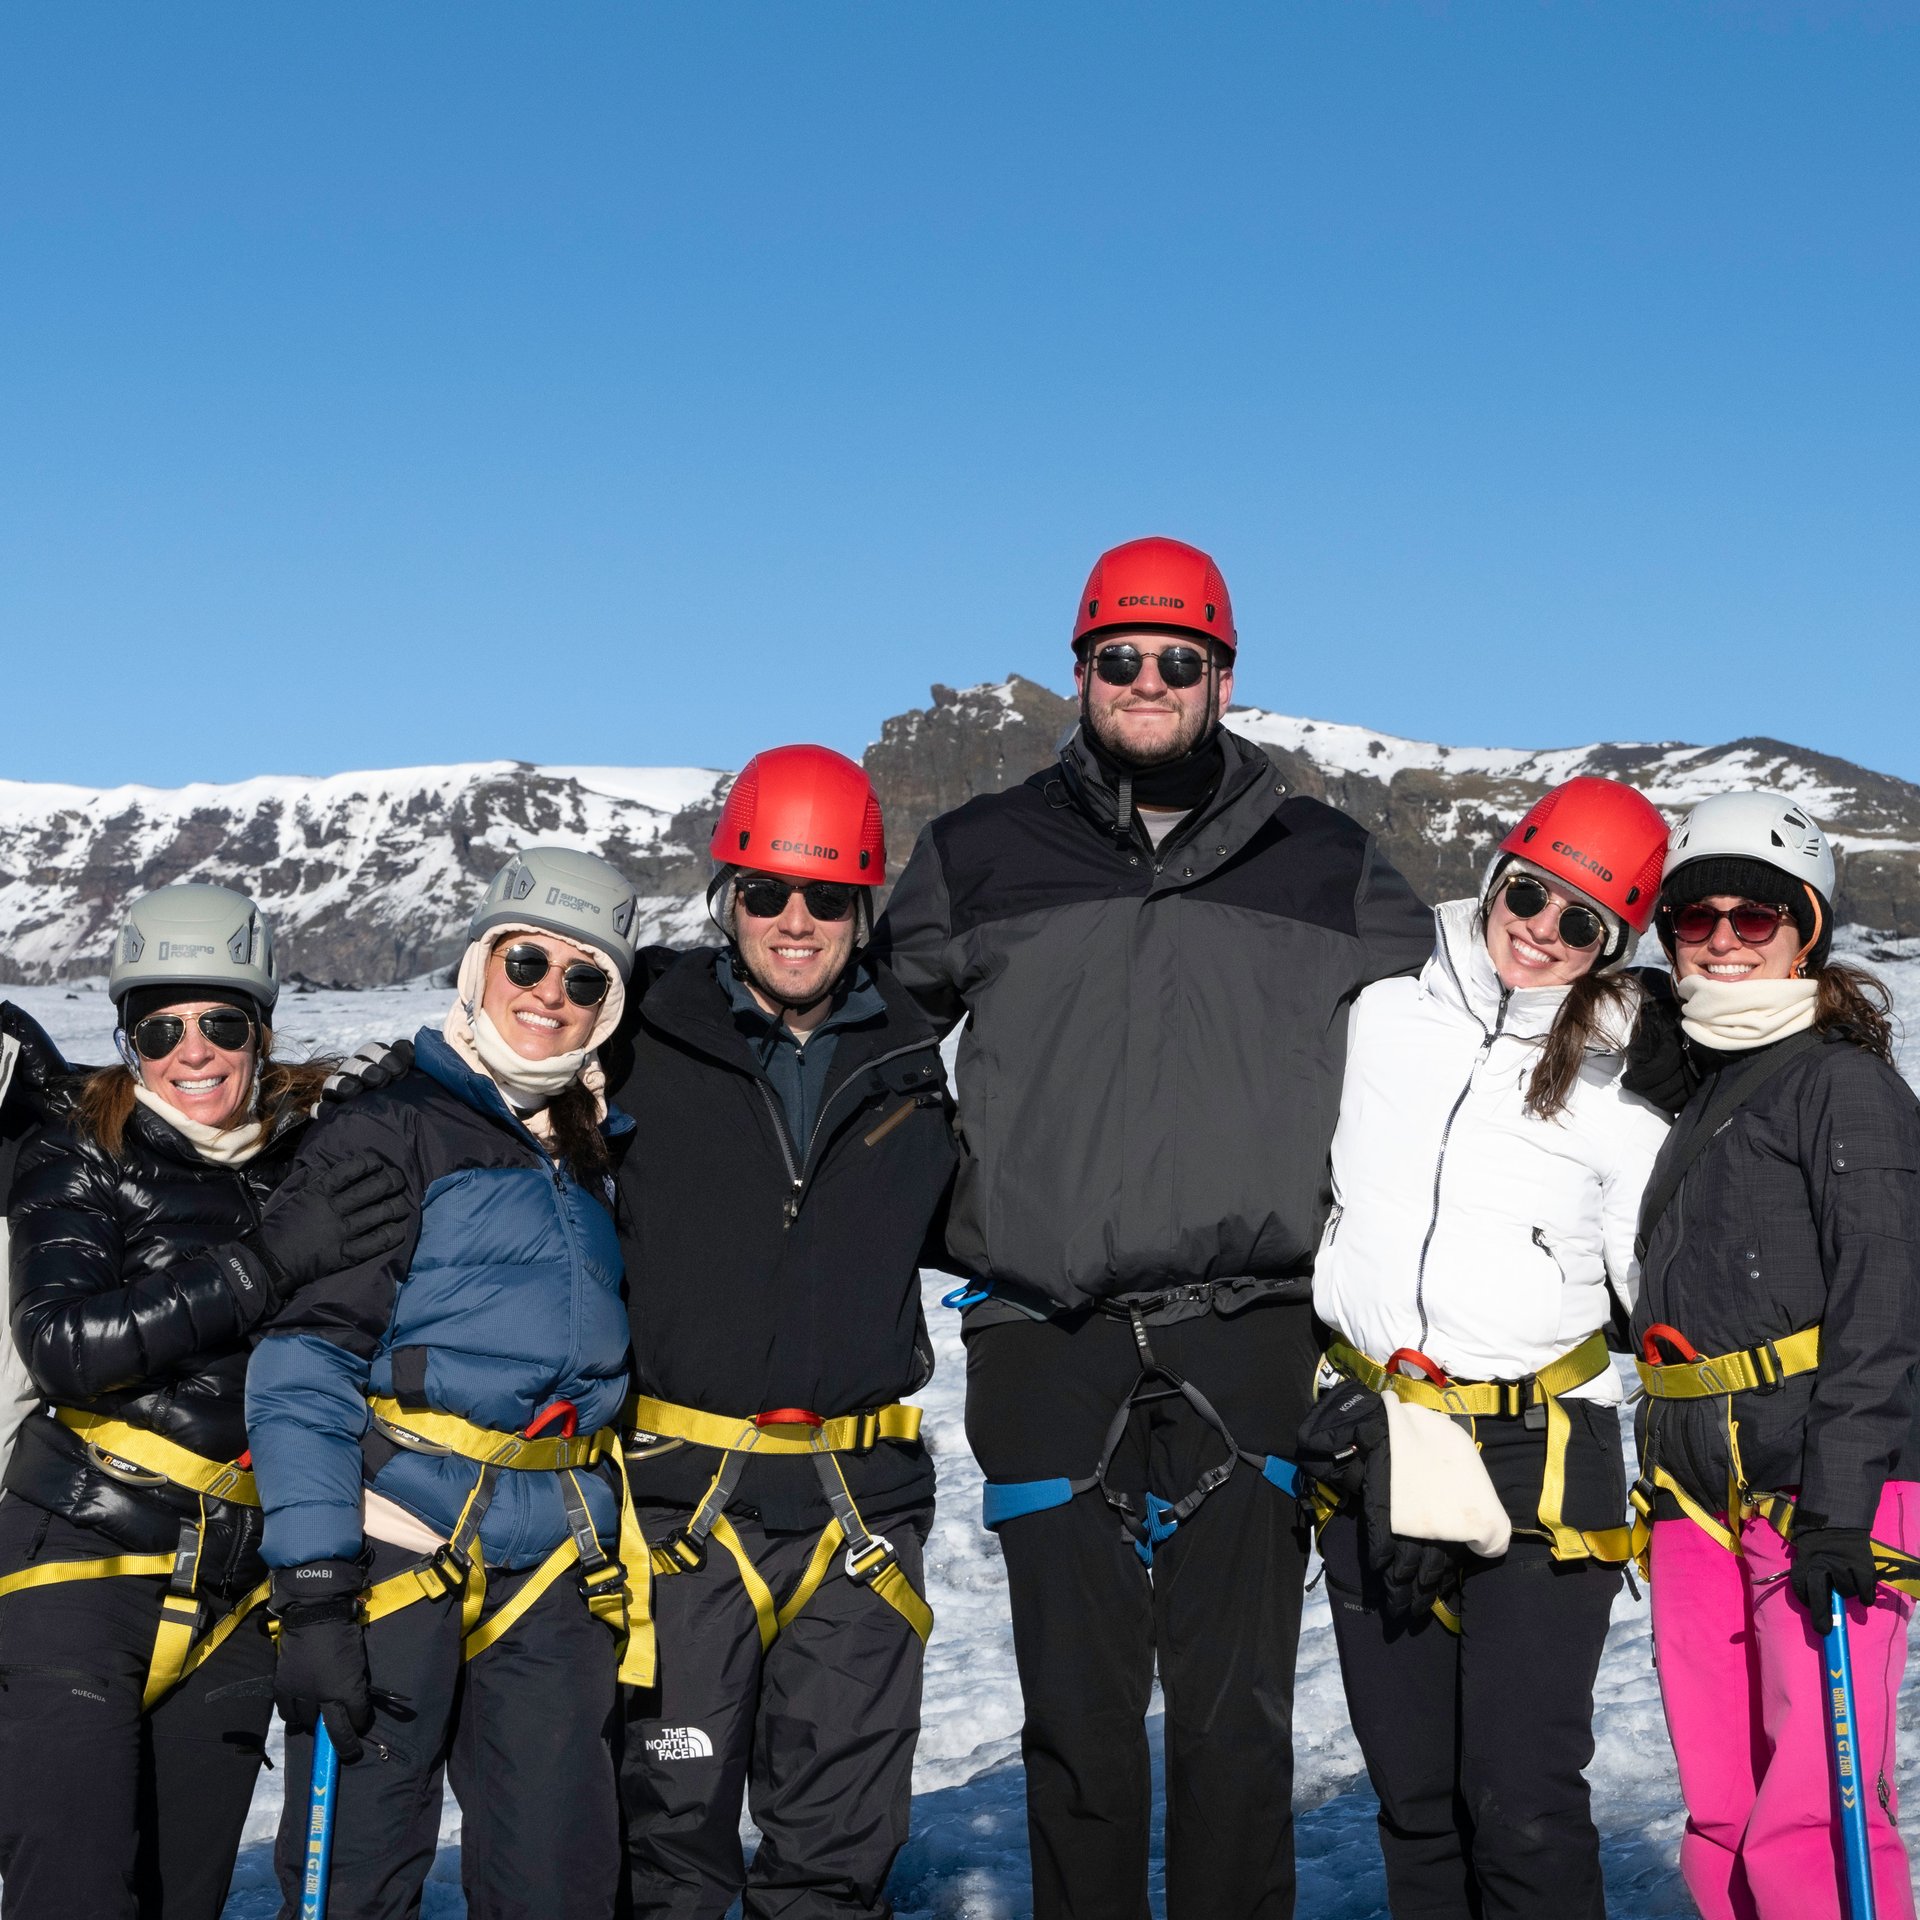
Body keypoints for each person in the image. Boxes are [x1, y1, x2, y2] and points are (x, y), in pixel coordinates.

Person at [873, 535, 1434, 1920]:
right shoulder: (980, 852)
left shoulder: (1325, 859)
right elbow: (871, 1061)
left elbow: (1454, 1043)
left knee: (1238, 1724)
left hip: (1251, 1333)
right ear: (1079, 669)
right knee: (1078, 1721)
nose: (1146, 680)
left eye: (1178, 659)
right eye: (1118, 656)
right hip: (1044, 1338)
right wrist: (970, 1210)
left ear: (1223, 676)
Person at [245, 845, 652, 1920]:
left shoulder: (594, 1148)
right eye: (528, 962)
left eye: (585, 979)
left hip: (556, 1564)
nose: (550, 998)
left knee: (558, 1885)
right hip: (398, 1554)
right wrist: (317, 1590)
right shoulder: (390, 1128)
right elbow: (303, 1360)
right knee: (359, 1880)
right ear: (479, 965)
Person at [1297, 777, 1673, 1919]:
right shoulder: (1379, 1016)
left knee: (1523, 1797)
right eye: (1528, 895)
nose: (1541, 934)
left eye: (1580, 927)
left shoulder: (1624, 1084)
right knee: (1414, 1797)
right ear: (1496, 874)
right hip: (1376, 1435)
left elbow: (1653, 1285)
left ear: (1614, 945)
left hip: (1539, 1453)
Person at [0, 884, 409, 1920]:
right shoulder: (79, 1149)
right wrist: (259, 1266)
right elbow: (62, 1345)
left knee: (186, 1896)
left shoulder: (311, 1154)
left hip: (237, 1587)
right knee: (76, 1889)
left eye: (221, 1023)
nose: (193, 1051)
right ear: (130, 1038)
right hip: (80, 1556)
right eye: (161, 1027)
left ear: (260, 1029)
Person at [607, 745, 956, 1919]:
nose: (792, 922)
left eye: (823, 897)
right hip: (682, 1503)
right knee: (669, 1845)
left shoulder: (914, 1060)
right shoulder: (639, 1031)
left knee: (837, 1853)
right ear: (726, 897)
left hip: (858, 1504)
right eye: (764, 892)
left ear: (864, 904)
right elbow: (496, 1065)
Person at [1630, 791, 1920, 1920]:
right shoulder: (1696, 1079)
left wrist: (1843, 1508)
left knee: (1819, 1803)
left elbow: (1886, 1301)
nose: (1722, 940)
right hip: (1697, 1488)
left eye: (1755, 917)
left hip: (1824, 1485)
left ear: (1807, 927)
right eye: (1694, 919)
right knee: (1720, 1799)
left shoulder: (1844, 1085)